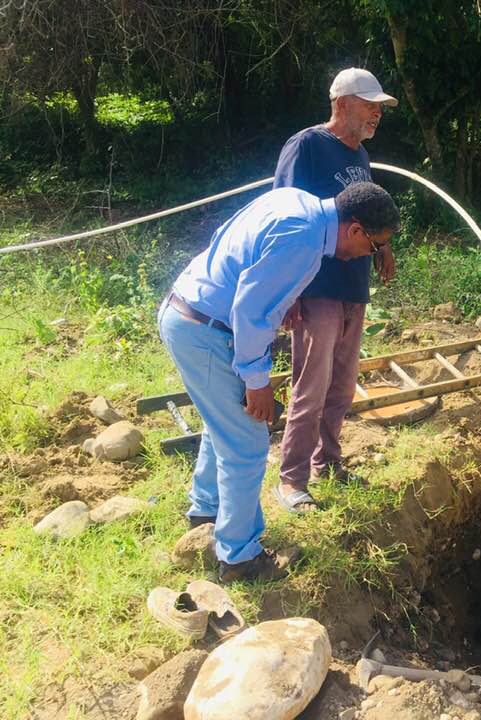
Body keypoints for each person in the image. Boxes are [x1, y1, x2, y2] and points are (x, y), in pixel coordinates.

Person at [159, 182, 400, 583]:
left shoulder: (299, 204)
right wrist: (258, 382)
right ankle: (239, 558)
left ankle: (205, 511)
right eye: (374, 246)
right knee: (248, 440)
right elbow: (250, 310)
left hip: (191, 316)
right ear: (355, 230)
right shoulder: (303, 238)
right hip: (205, 330)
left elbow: (245, 259)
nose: (368, 256)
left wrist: (283, 300)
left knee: (223, 425)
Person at [273, 67, 398, 512]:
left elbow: (365, 214)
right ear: (341, 103)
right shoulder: (306, 146)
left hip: (353, 285)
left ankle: (328, 461)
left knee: (342, 384)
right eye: (370, 105)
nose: (377, 114)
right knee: (312, 383)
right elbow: (284, 219)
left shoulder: (360, 155)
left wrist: (382, 248)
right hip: (317, 285)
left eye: (380, 108)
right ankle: (292, 480)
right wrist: (287, 290)